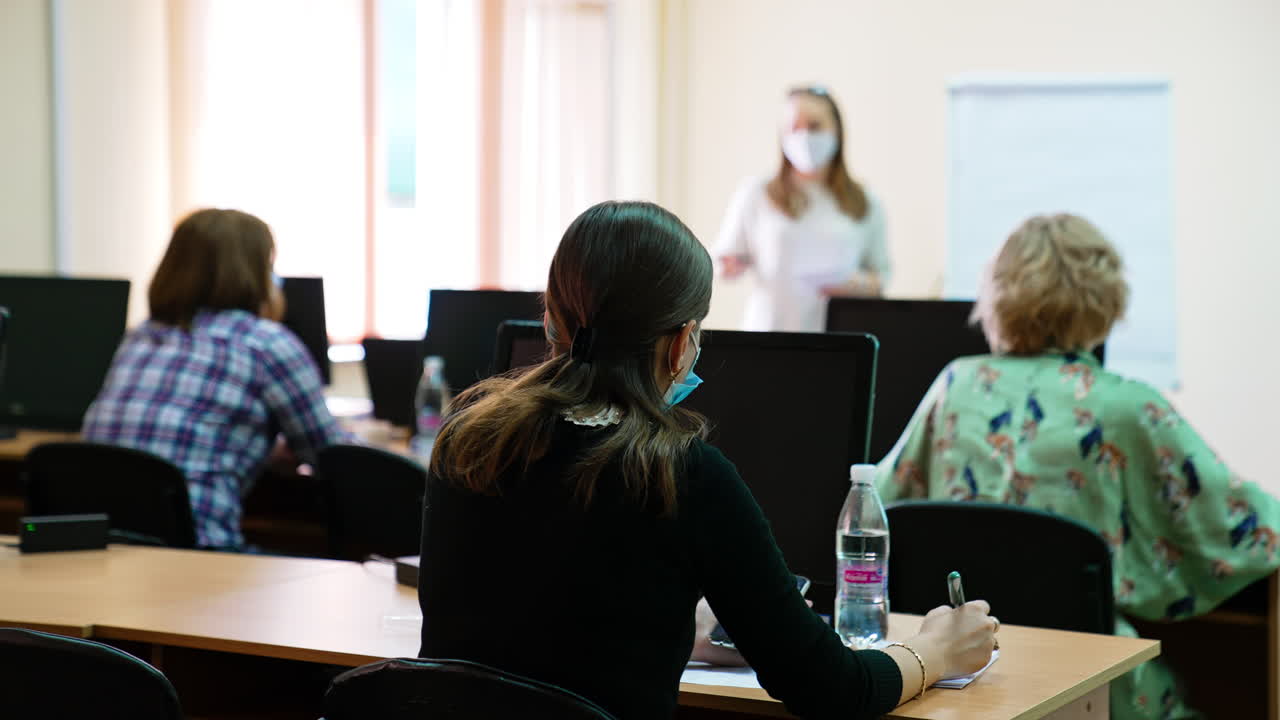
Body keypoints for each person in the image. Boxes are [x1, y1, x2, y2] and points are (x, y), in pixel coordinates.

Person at [418, 200, 996, 719]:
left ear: (550, 319)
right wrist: (935, 650)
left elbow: (531, 623)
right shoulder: (681, 475)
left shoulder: (466, 441)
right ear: (681, 344)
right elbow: (830, 689)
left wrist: (670, 618)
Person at [876, 213, 1280, 719]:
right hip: (1096, 686)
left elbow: (877, 510)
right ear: (1106, 301)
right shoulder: (1126, 405)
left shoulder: (955, 385)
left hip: (963, 681)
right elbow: (1244, 528)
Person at [82, 208, 349, 549]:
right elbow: (334, 460)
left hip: (105, 551)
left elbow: (172, 434)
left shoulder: (140, 336)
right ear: (256, 272)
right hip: (200, 555)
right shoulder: (266, 343)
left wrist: (257, 448)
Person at [715, 86, 889, 332]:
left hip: (839, 336)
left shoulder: (865, 201)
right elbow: (722, 262)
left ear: (837, 131)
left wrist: (858, 285)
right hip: (769, 335)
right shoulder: (756, 193)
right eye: (794, 128)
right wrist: (729, 265)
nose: (804, 136)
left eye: (815, 126)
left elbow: (881, 276)